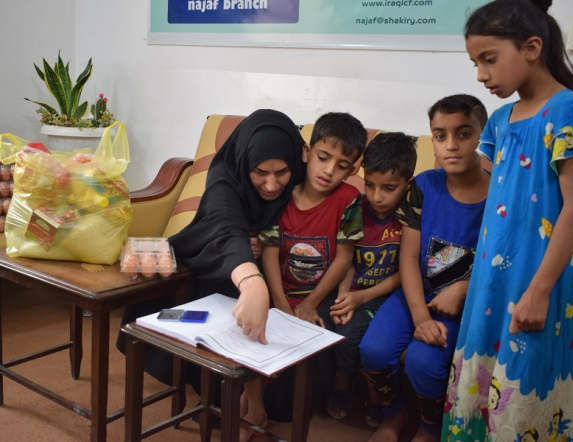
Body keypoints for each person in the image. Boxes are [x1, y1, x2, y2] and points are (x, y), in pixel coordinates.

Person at [442, 1, 573, 441]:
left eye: (489, 59)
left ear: (532, 48)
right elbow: (497, 204)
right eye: (475, 63)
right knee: (481, 376)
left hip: (538, 278)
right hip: (492, 276)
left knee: (525, 374)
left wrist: (539, 291)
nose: (481, 75)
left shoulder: (566, 110)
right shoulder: (499, 120)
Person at [116, 109, 306, 387]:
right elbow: (225, 227)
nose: (271, 185)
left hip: (285, 268)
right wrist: (252, 282)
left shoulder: (306, 180)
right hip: (223, 264)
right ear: (244, 163)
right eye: (260, 172)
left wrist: (270, 244)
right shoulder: (224, 179)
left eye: (282, 172)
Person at [360, 94, 490, 442]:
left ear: (484, 135)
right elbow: (408, 258)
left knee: (424, 362)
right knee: (373, 350)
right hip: (416, 295)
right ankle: (394, 415)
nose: (451, 145)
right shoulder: (423, 186)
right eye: (440, 135)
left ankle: (431, 428)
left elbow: (502, 264)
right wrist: (420, 317)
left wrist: (465, 289)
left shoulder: (499, 195)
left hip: (466, 307)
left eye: (464, 134)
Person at [237, 112, 367, 441]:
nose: (329, 170)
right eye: (323, 157)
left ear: (352, 170)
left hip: (317, 295)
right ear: (307, 152)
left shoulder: (348, 199)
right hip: (278, 289)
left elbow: (344, 257)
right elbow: (269, 251)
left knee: (299, 338)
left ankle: (254, 405)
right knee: (252, 331)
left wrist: (309, 304)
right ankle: (253, 407)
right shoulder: (282, 194)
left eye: (341, 165)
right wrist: (280, 303)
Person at [324, 132, 417, 425]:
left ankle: (374, 396)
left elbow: (406, 271)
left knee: (364, 338)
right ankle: (343, 384)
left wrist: (360, 297)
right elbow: (348, 260)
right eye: (370, 185)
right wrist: (345, 295)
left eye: (389, 188)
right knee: (342, 331)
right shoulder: (357, 208)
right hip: (355, 290)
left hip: (391, 295)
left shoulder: (411, 217)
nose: (377, 196)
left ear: (408, 184)